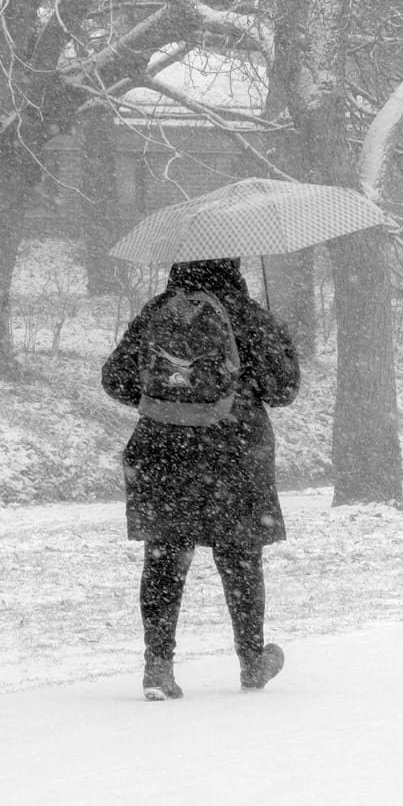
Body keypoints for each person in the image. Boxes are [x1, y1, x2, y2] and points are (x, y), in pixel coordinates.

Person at [101, 256, 301, 700]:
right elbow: (284, 389)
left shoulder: (157, 313)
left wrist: (166, 402)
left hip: (161, 451)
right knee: (240, 558)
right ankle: (252, 661)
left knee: (164, 558)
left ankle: (158, 665)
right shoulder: (248, 316)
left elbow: (114, 379)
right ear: (234, 266)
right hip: (234, 453)